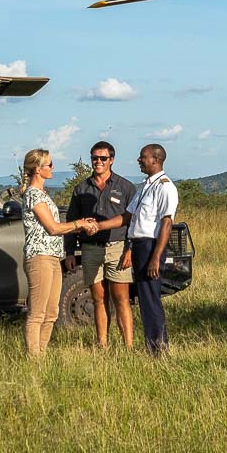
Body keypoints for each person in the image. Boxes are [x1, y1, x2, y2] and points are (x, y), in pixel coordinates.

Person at [18, 147, 94, 358]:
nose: (53, 168)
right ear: (38, 169)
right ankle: (34, 358)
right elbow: (53, 228)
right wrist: (80, 224)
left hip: (52, 257)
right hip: (39, 257)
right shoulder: (33, 195)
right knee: (37, 313)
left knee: (51, 312)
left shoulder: (43, 194)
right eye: (49, 164)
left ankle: (41, 353)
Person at [65, 140, 136, 350]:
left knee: (121, 298)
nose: (98, 162)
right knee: (98, 298)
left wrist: (130, 249)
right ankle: (102, 345)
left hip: (118, 247)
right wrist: (69, 252)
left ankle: (128, 347)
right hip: (90, 249)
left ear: (111, 160)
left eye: (103, 158)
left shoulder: (125, 187)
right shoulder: (81, 188)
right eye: (94, 158)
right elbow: (71, 221)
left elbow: (133, 221)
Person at [121, 142, 178, 356]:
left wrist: (155, 257)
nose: (139, 160)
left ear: (155, 159)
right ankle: (151, 345)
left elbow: (166, 223)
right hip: (138, 246)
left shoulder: (165, 187)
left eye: (142, 156)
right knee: (144, 298)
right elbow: (127, 217)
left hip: (150, 246)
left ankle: (158, 348)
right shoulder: (145, 186)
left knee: (151, 297)